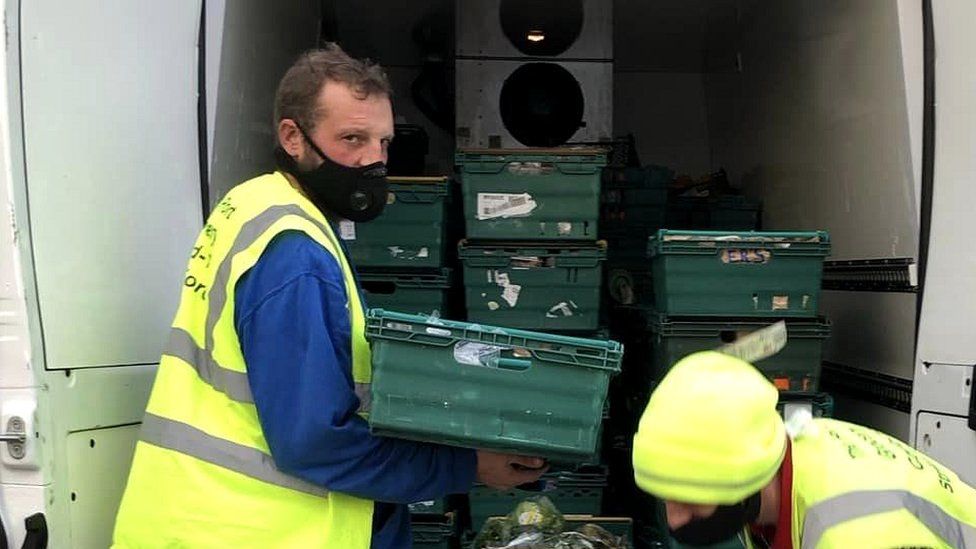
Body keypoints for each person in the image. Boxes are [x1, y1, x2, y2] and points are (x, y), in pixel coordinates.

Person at [112, 44, 546, 548]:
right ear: (293, 137)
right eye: (351, 139)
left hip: (200, 520)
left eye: (382, 143)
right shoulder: (295, 256)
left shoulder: (253, 203)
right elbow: (316, 442)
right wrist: (468, 464)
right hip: (256, 530)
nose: (372, 161)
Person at [631, 351, 976, 549]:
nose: (673, 519)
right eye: (666, 497)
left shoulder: (853, 533)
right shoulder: (782, 449)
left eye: (689, 499)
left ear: (746, 477)